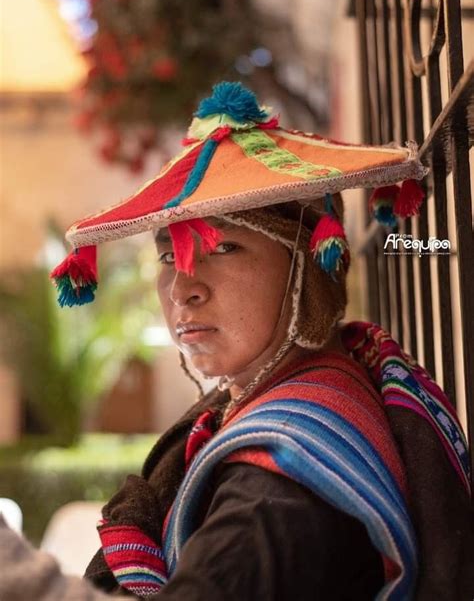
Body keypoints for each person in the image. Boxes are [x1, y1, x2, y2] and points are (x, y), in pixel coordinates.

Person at [1, 82, 472, 600]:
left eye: (222, 246)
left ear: (308, 268)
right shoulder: (276, 398)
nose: (183, 287)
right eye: (167, 257)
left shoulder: (279, 488)